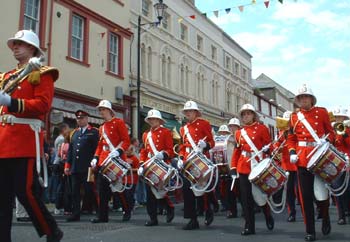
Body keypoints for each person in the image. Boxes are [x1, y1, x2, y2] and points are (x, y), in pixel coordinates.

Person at [0, 30, 62, 241]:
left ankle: (52, 230)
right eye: (14, 44)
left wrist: (12, 103)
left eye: (21, 44)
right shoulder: (6, 77)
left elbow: (43, 105)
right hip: (3, 141)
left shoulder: (42, 73)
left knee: (26, 192)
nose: (15, 47)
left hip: (25, 140)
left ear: (32, 48)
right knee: (2, 198)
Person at [287, 84, 335, 241]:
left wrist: (327, 139)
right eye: (300, 98)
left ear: (311, 99)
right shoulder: (294, 117)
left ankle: (325, 215)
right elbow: (291, 138)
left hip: (320, 156)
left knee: (321, 193)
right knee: (305, 196)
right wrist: (292, 151)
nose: (303, 100)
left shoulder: (321, 113)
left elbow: (331, 132)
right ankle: (310, 230)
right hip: (302, 159)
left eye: (305, 97)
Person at [230, 103, 274, 236]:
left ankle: (267, 212)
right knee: (246, 198)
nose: (246, 116)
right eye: (243, 114)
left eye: (248, 113)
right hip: (244, 166)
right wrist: (233, 167)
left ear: (253, 115)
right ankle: (249, 225)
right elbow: (237, 151)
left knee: (260, 195)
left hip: (258, 164)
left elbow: (269, 146)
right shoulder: (238, 133)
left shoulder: (262, 129)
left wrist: (267, 149)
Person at [90, 100, 131, 223]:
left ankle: (126, 210)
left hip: (116, 159)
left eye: (102, 109)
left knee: (118, 188)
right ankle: (103, 216)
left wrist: (118, 151)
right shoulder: (102, 127)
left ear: (109, 110)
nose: (101, 112)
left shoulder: (119, 122)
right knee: (102, 189)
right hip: (104, 160)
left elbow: (126, 140)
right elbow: (100, 145)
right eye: (100, 110)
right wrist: (95, 157)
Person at [178, 100, 215, 230]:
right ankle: (192, 219)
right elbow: (183, 146)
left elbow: (211, 141)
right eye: (186, 111)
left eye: (190, 111)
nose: (187, 113)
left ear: (195, 112)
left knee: (201, 189)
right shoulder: (183, 129)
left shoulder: (204, 124)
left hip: (200, 158)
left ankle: (207, 210)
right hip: (188, 160)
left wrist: (206, 145)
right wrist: (181, 157)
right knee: (187, 190)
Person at [138, 109, 175, 226]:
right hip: (149, 165)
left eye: (154, 119)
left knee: (160, 190)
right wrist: (141, 163)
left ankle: (169, 207)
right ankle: (153, 218)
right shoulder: (145, 135)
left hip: (162, 165)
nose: (152, 121)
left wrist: (163, 154)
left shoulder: (166, 132)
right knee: (150, 193)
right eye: (150, 119)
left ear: (159, 120)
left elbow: (170, 151)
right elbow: (144, 151)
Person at [64, 110, 99, 222]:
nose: (80, 120)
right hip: (75, 167)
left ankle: (99, 212)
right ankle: (76, 214)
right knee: (75, 192)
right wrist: (67, 165)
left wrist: (96, 162)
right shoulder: (74, 133)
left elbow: (97, 149)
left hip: (88, 167)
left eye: (82, 118)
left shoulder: (94, 132)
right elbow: (71, 151)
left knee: (91, 190)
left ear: (87, 119)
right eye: (78, 118)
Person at [274, 111, 298, 222]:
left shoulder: (296, 130)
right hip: (287, 165)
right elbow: (277, 146)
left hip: (298, 162)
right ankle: (291, 212)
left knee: (301, 190)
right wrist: (277, 144)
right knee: (289, 191)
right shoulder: (281, 133)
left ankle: (315, 208)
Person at [331, 107, 350, 225]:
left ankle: (348, 209)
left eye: (340, 117)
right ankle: (341, 215)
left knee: (348, 188)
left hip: (348, 161)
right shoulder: (332, 130)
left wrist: (344, 135)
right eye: (337, 117)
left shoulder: (348, 129)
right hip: (336, 162)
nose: (338, 119)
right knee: (337, 189)